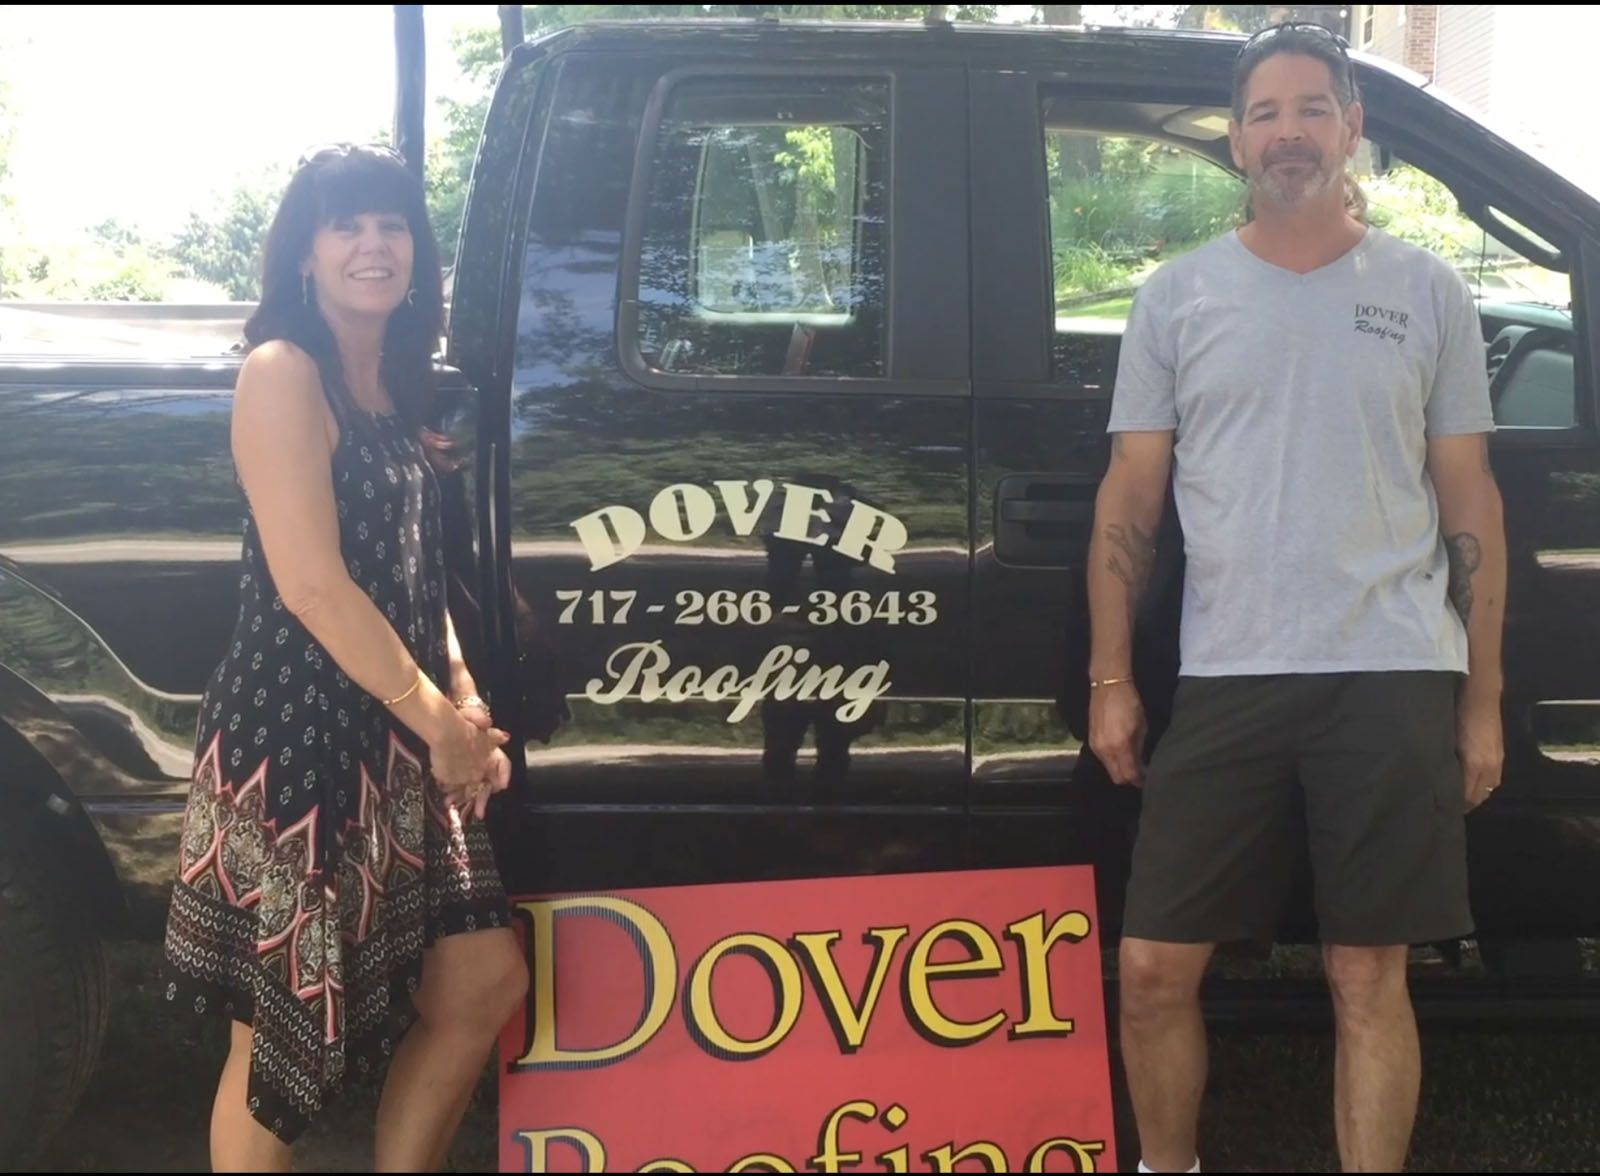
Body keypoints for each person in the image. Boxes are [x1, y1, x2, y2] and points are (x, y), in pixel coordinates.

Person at [1086, 23, 1506, 1174]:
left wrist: (1481, 696)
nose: (1288, 132)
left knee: (1365, 970)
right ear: (1235, 141)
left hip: (1392, 667)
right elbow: (1131, 495)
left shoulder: (1426, 291)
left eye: (1312, 109)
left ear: (1351, 129)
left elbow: (1468, 497)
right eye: (1265, 113)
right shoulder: (1176, 298)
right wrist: (1112, 677)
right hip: (1227, 675)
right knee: (1150, 969)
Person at [161, 143, 528, 1172]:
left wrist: (463, 701)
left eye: (393, 224)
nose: (375, 244)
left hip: (402, 726)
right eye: (347, 225)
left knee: (480, 986)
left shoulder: (395, 381)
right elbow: (314, 586)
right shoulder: (284, 372)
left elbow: (413, 570)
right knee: (277, 1031)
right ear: (304, 256)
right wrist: (437, 727)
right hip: (301, 743)